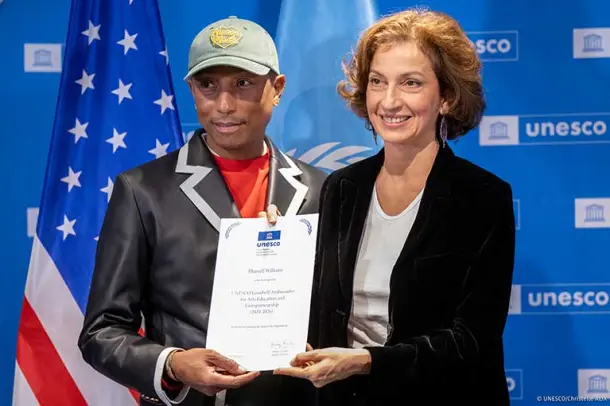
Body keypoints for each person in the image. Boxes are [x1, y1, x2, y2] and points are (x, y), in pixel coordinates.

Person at [78, 16, 326, 406]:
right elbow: (101, 331)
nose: (224, 105)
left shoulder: (323, 189)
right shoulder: (143, 190)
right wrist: (173, 364)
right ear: (191, 88)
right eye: (207, 86)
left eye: (243, 84)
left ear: (276, 89)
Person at [274, 8, 516, 405]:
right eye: (377, 81)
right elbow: (320, 309)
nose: (389, 101)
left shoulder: (482, 197)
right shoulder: (342, 187)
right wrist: (276, 248)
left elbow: (471, 340)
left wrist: (366, 362)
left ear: (447, 97)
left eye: (411, 83)